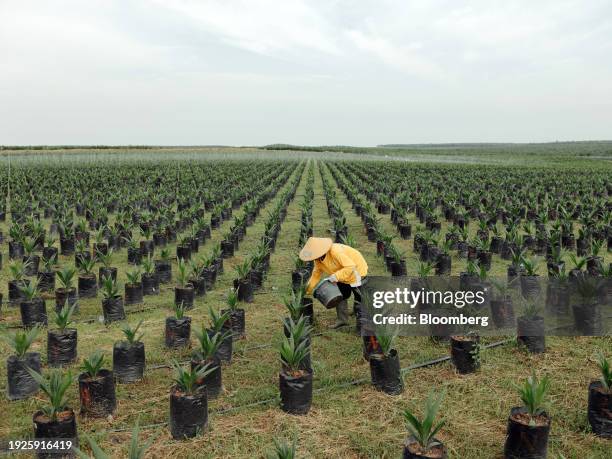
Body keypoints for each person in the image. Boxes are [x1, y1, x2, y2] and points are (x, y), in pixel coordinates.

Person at [299, 237, 368, 329]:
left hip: (357, 270)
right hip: (341, 273)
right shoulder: (318, 260)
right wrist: (307, 289)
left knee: (359, 295)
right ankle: (342, 321)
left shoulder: (335, 251)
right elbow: (316, 275)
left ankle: (359, 316)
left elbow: (350, 266)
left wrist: (336, 276)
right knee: (341, 295)